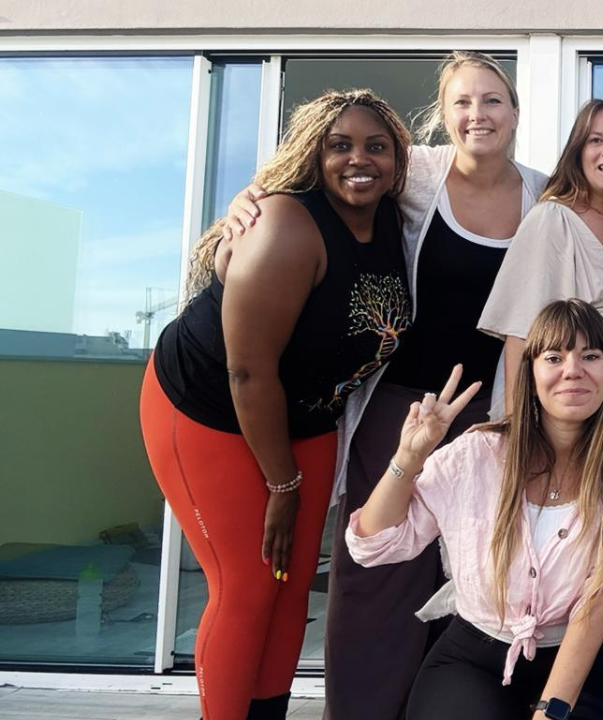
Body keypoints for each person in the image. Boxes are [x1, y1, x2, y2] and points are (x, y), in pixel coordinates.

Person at [222, 51, 548, 719]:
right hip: (402, 412)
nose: (477, 114)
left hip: (493, 421)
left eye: (492, 100)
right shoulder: (416, 173)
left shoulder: (545, 196)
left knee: (477, 585)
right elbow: (323, 178)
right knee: (378, 579)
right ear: (444, 115)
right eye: (462, 101)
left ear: (515, 113)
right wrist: (241, 214)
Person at [139, 89, 412, 720]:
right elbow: (247, 371)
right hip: (211, 410)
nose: (358, 160)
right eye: (338, 146)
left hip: (310, 416)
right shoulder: (287, 225)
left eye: (376, 146)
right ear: (314, 155)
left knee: (288, 592)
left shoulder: (393, 209)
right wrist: (281, 484)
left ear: (398, 157)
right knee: (245, 586)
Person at [347, 300, 603, 720]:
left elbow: (602, 594)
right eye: (555, 357)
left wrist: (551, 711)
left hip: (569, 658)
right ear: (531, 374)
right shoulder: (478, 454)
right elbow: (372, 544)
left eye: (590, 356)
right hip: (471, 655)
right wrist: (408, 457)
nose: (574, 370)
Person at [478, 98, 603, 719]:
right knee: (576, 561)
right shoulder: (553, 220)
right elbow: (521, 336)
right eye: (595, 140)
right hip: (571, 407)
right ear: (578, 151)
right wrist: (515, 427)